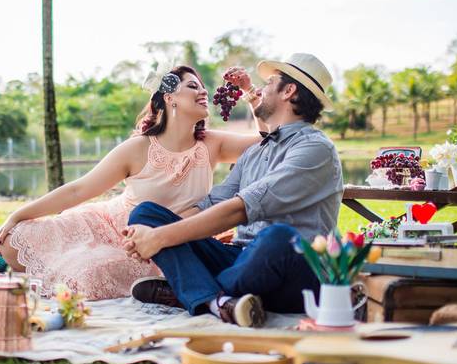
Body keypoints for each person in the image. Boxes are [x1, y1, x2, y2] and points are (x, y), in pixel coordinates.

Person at [0, 64, 265, 300]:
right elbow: (79, 189)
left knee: (90, 277)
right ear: (169, 97)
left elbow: (265, 142)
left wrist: (250, 93)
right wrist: (18, 213)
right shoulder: (137, 148)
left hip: (166, 241)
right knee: (14, 240)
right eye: (193, 86)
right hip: (108, 227)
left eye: (203, 87)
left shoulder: (212, 144)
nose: (204, 92)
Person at [122, 53, 343, 327]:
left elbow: (240, 209)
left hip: (294, 268)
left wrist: (160, 239)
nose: (260, 90)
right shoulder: (255, 152)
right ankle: (219, 302)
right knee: (146, 213)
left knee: (278, 237)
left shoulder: (315, 148)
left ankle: (192, 293)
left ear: (289, 91)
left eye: (270, 82)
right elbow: (213, 202)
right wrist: (154, 230)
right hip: (239, 258)